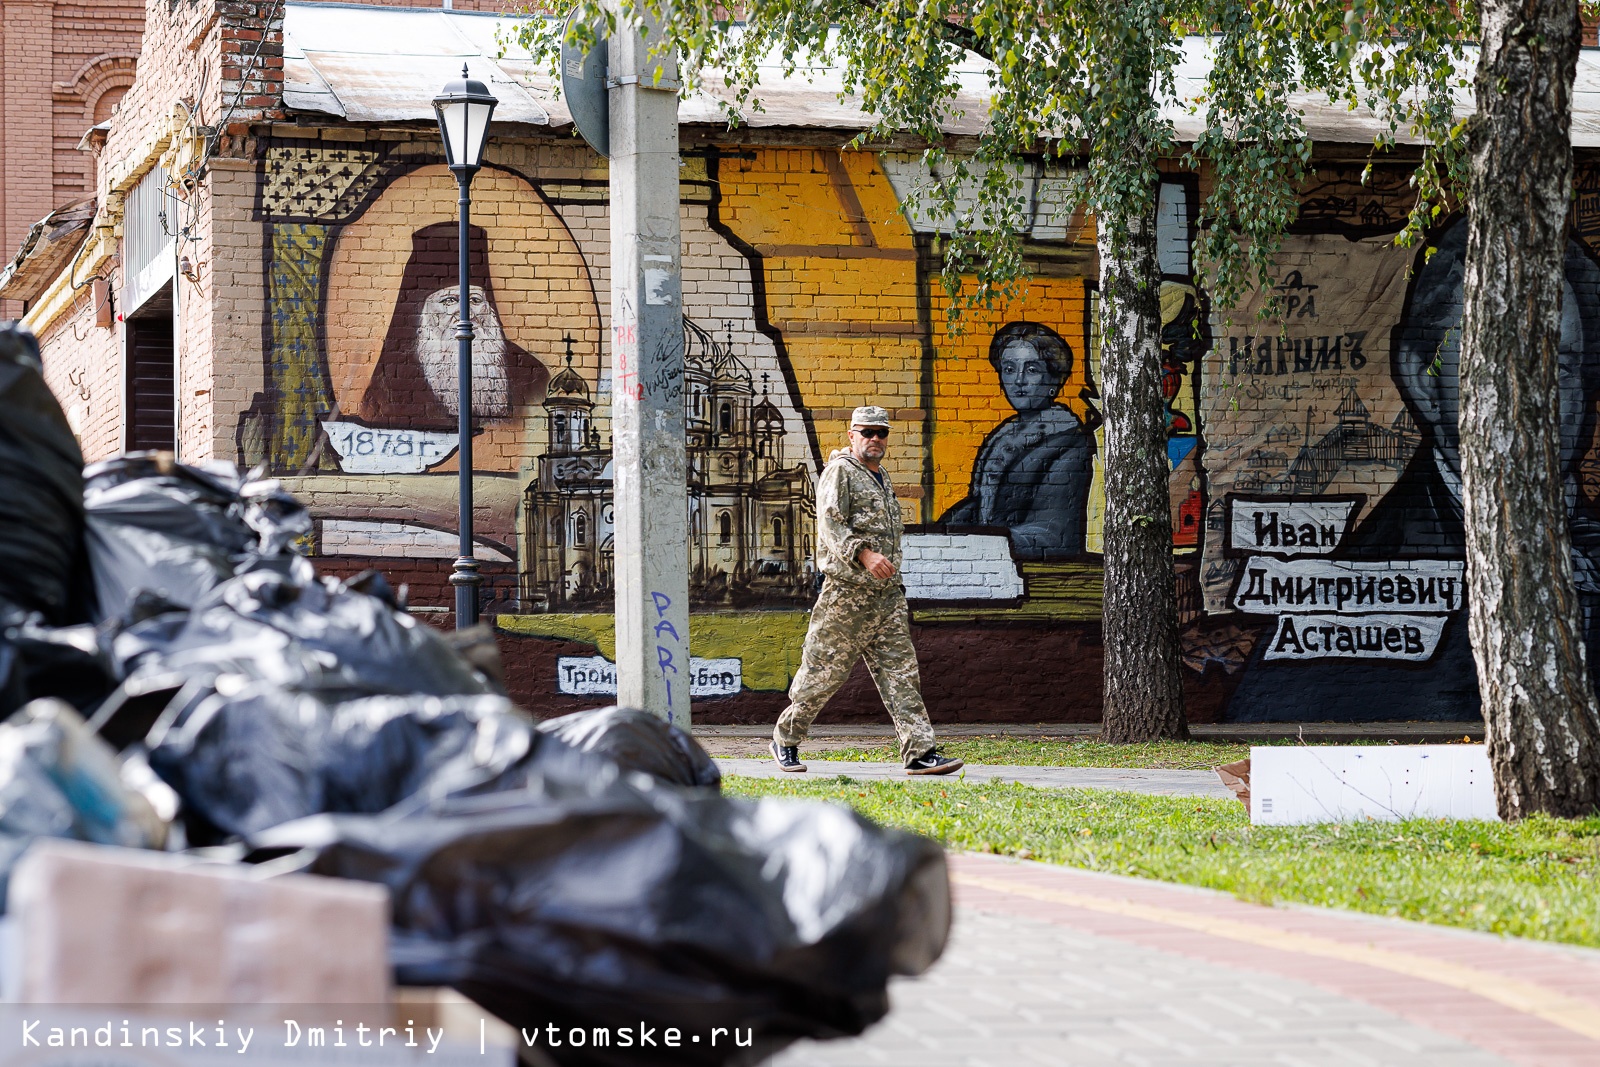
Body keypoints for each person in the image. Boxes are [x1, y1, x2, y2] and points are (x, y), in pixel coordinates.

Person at [771, 406, 963, 775]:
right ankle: (785, 738)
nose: (875, 439)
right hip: (846, 596)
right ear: (852, 435)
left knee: (901, 675)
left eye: (881, 432)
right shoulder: (840, 471)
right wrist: (864, 554)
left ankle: (920, 752)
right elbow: (829, 522)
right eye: (867, 432)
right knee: (823, 675)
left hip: (886, 598)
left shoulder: (881, 476)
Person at [357, 221, 546, 430]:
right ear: (424, 314)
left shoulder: (532, 375)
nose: (464, 312)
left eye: (474, 300)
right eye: (448, 301)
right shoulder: (390, 384)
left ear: (488, 307)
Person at [940, 322, 1094, 558]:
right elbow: (981, 506)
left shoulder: (1068, 442)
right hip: (996, 564)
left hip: (1041, 577)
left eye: (1031, 370)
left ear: (1054, 380)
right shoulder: (1004, 437)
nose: (1018, 380)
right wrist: (938, 533)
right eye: (1009, 369)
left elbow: (1054, 533)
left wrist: (978, 544)